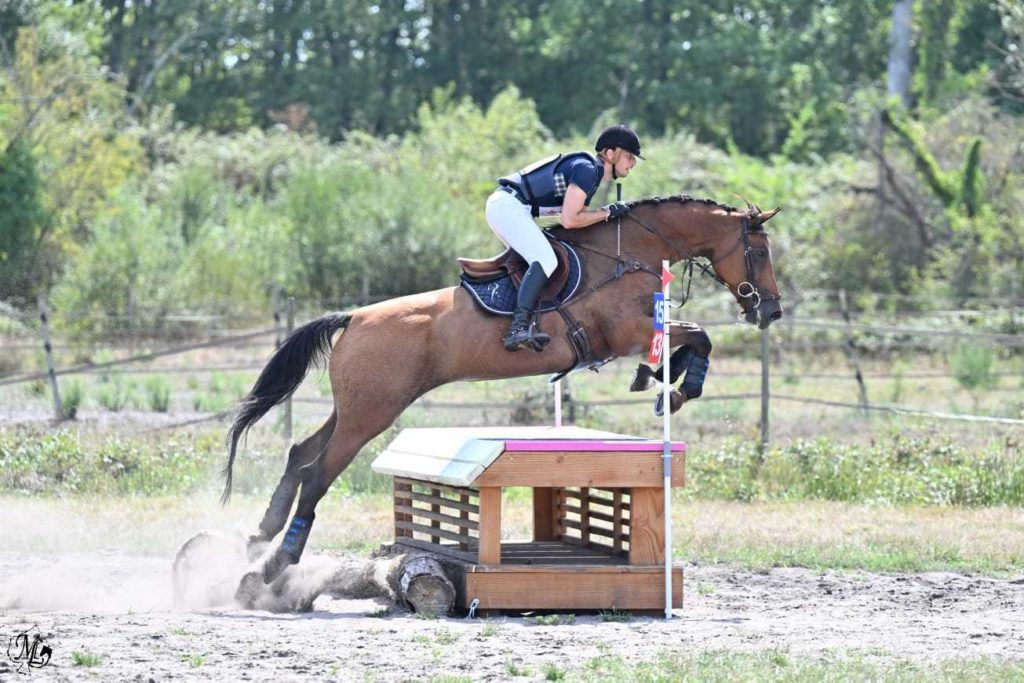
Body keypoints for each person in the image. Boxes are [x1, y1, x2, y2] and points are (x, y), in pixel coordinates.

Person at [486, 124, 644, 352]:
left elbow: (573, 219)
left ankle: (517, 319)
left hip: (509, 207)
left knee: (538, 262)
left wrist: (604, 213)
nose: (633, 164)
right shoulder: (587, 169)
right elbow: (571, 220)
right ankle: (516, 329)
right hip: (508, 206)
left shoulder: (591, 172)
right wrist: (608, 212)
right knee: (546, 259)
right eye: (629, 156)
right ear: (610, 153)